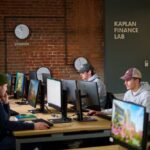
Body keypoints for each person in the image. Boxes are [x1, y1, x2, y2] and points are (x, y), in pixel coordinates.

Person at [0, 73, 50, 150]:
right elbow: (6, 124)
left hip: (3, 137)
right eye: (6, 86)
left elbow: (6, 119)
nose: (6, 89)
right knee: (41, 140)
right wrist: (33, 126)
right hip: (2, 142)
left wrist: (6, 104)